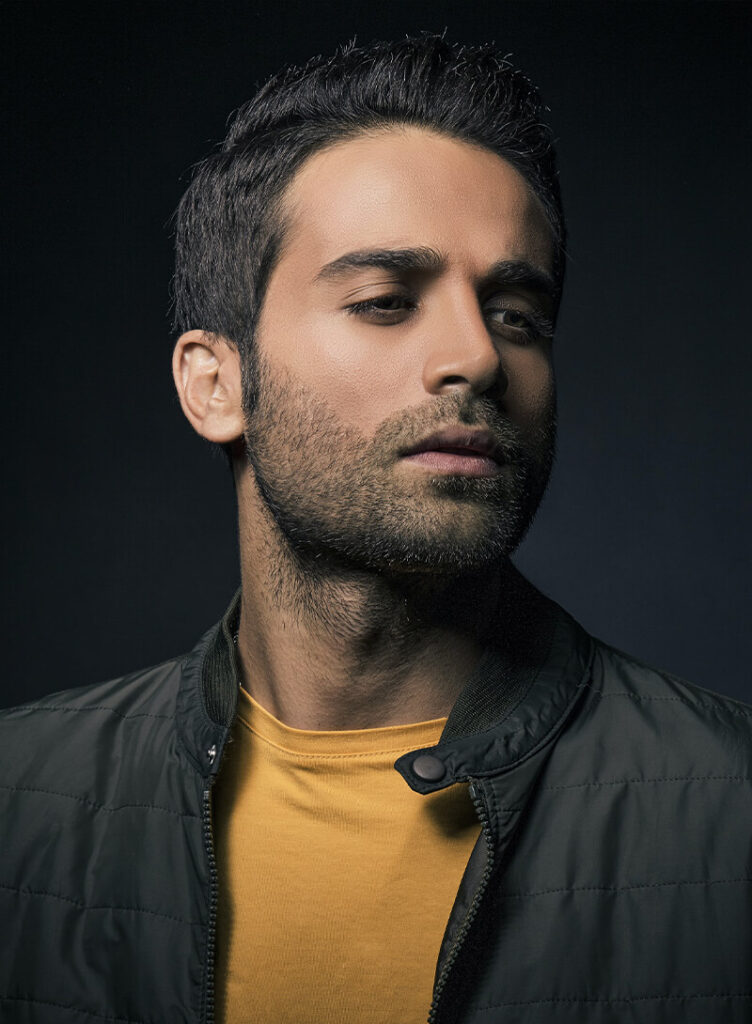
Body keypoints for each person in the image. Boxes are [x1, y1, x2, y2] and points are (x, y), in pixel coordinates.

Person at [1, 33, 750, 1024]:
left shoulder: (729, 810)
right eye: (385, 301)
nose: (477, 356)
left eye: (516, 315)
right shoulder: (19, 801)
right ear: (216, 384)